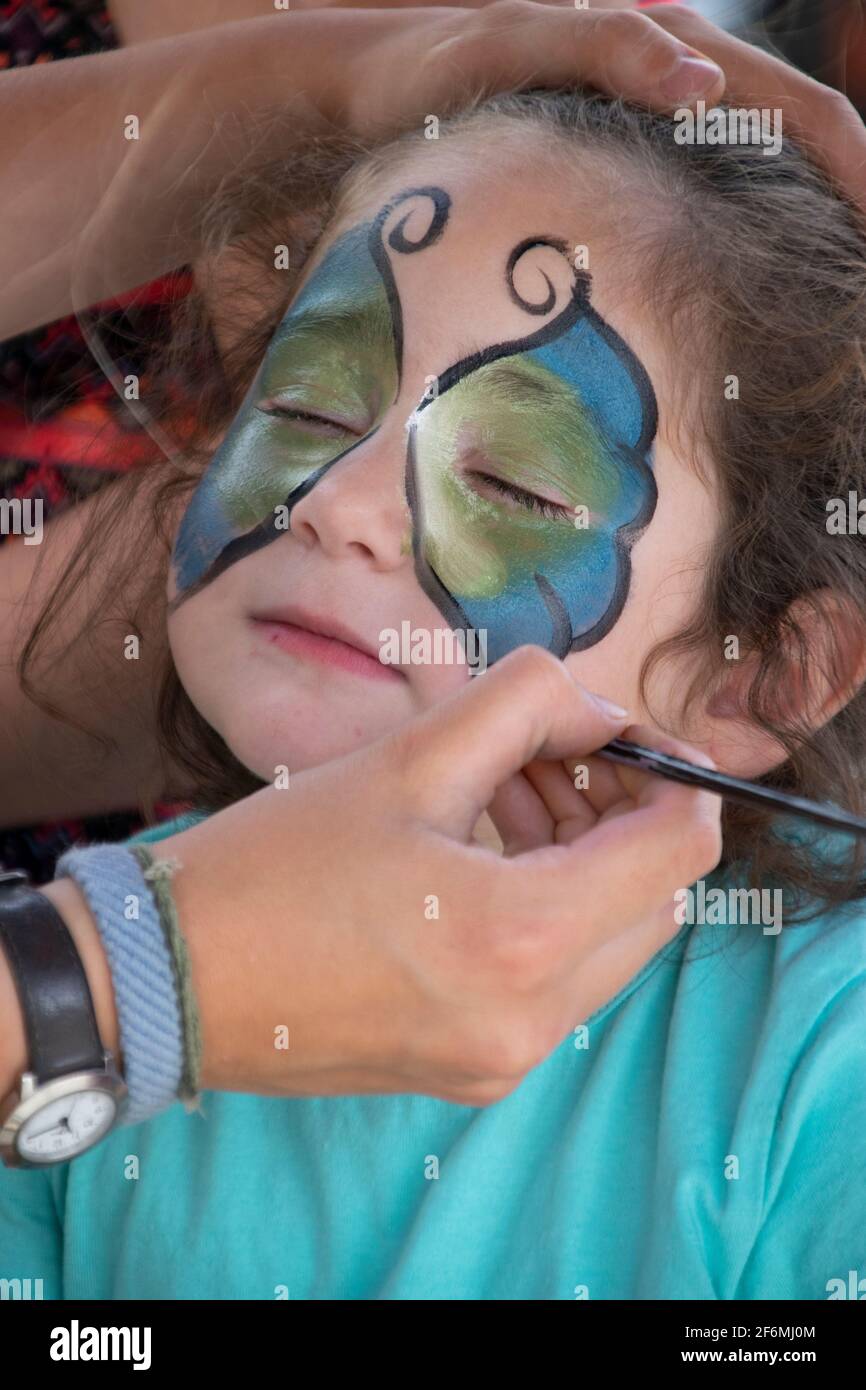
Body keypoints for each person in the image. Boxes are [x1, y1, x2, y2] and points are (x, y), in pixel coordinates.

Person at [2, 42, 866, 1296]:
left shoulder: (824, 1055)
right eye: (303, 411)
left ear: (762, 676)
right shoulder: (93, 930)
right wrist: (127, 970)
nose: (339, 504)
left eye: (510, 480)